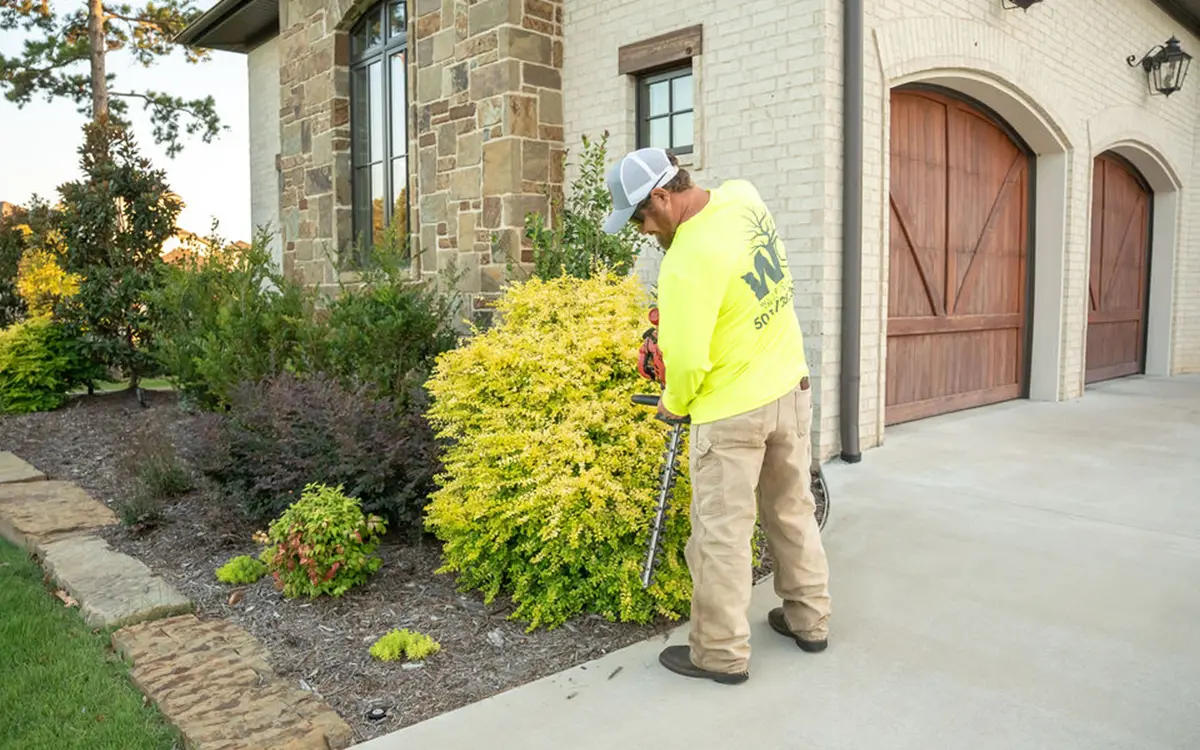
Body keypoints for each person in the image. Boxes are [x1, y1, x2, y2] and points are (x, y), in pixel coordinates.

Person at [602, 147, 832, 684]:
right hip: (790, 390)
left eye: (640, 216)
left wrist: (673, 403)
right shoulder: (743, 197)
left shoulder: (684, 261)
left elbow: (685, 361)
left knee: (722, 536)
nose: (641, 230)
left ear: (661, 195)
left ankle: (720, 654)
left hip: (732, 414)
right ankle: (810, 621)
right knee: (791, 509)